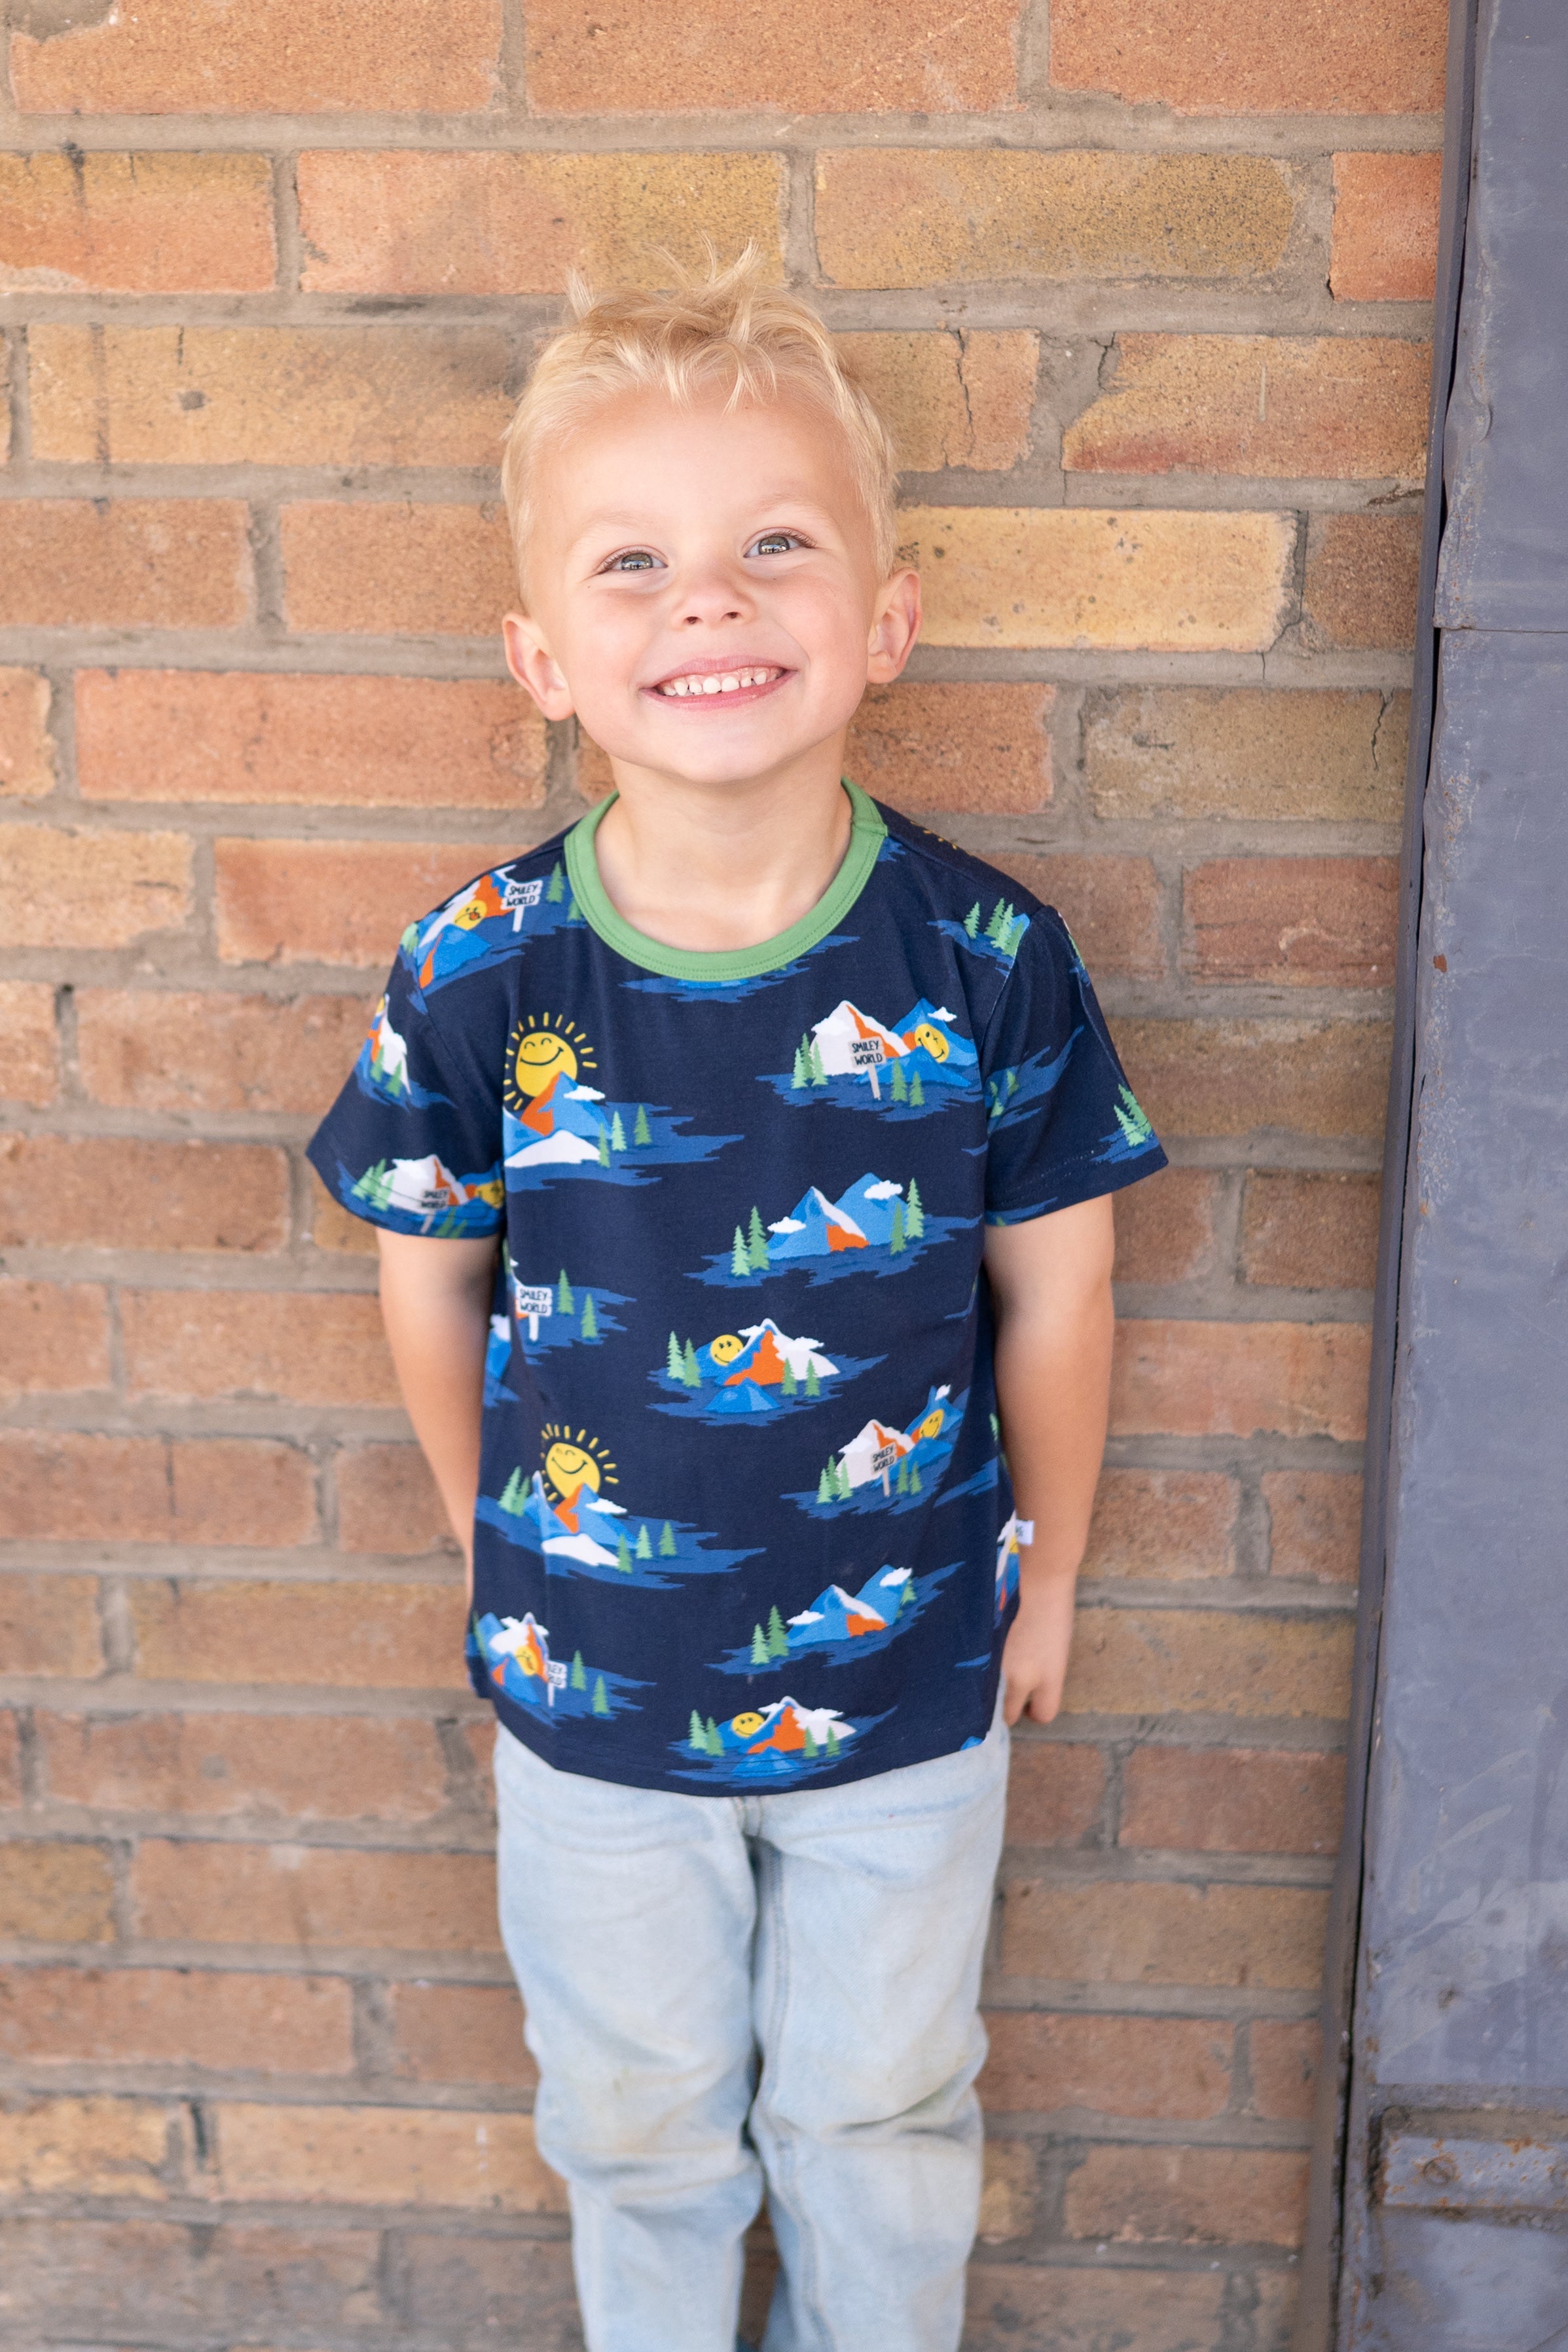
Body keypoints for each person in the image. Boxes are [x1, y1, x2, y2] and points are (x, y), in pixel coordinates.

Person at [307, 251, 1166, 2352]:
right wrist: (483, 1534)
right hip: (588, 1697)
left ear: (882, 621)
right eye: (634, 564)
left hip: (905, 1686)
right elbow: (428, 1290)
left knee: (881, 2107)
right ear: (538, 655)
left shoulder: (983, 957)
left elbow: (1058, 1291)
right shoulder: (479, 968)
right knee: (636, 2121)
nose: (708, 601)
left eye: (774, 546)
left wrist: (1038, 1583)